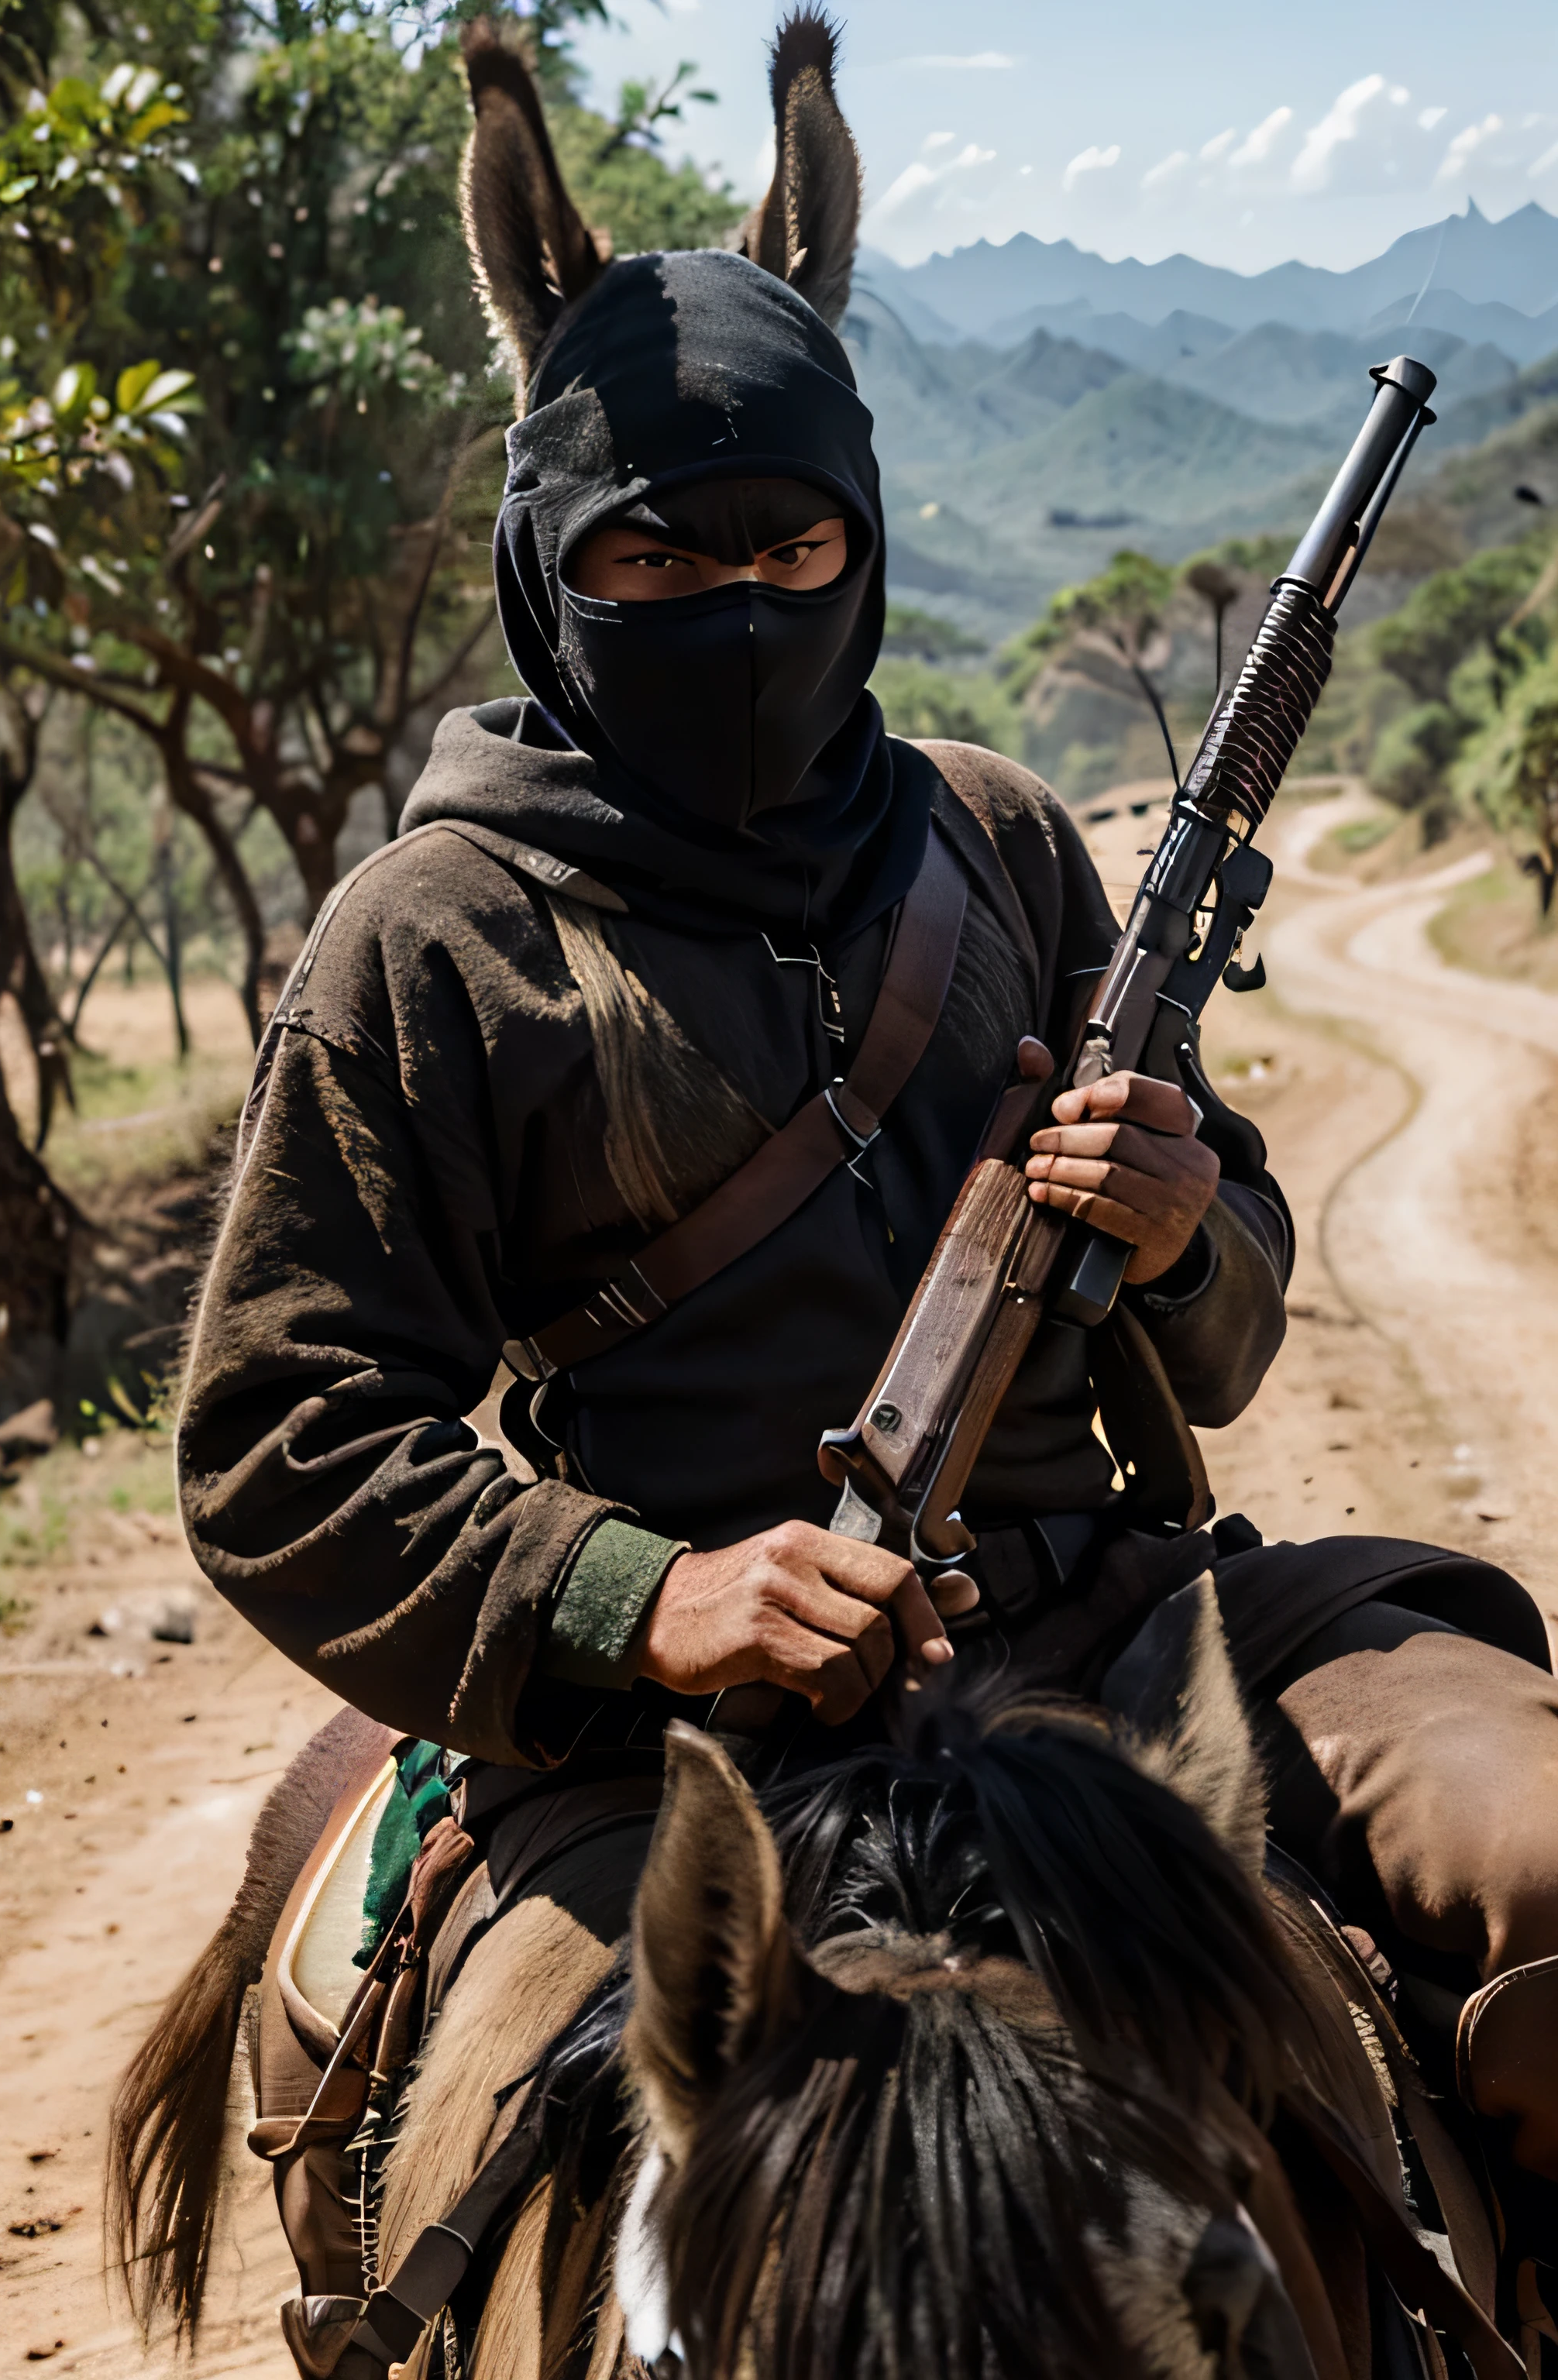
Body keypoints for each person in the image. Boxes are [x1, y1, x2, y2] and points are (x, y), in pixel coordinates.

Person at [177, 8, 1558, 2320]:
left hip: (1121, 1633)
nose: (729, 601)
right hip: (673, 1747)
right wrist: (651, 1598)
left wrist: (1178, 1223)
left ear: (866, 536)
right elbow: (277, 1438)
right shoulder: (427, 937)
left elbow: (1225, 1335)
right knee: (579, 2206)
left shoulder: (999, 842)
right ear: (547, 559)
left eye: (785, 540)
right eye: (645, 557)